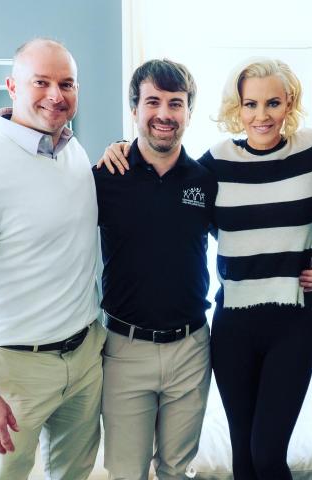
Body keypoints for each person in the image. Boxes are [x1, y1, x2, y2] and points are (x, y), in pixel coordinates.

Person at [99, 55, 312, 479]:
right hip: (232, 327)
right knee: (244, 458)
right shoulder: (213, 165)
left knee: (267, 454)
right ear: (238, 106)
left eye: (273, 103)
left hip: (291, 326)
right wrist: (120, 145)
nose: (261, 115)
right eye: (251, 104)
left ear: (289, 104)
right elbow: (165, 175)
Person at [93, 59, 217, 480]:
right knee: (127, 472)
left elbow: (246, 237)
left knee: (176, 471)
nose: (164, 114)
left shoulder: (206, 180)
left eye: (176, 103)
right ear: (134, 109)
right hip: (125, 348)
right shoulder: (105, 177)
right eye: (153, 102)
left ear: (188, 113)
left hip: (191, 347)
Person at [0, 39, 105, 479]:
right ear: (12, 86)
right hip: (14, 370)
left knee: (73, 473)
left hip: (84, 356)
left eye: (67, 84)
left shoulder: (73, 150)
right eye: (41, 82)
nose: (55, 95)